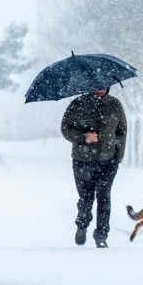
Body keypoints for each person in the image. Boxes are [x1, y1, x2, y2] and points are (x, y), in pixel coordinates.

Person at [60, 87, 127, 248]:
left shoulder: (114, 104)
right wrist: (84, 137)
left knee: (104, 197)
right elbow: (65, 128)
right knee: (86, 198)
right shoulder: (78, 103)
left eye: (104, 85)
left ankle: (101, 235)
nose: (100, 89)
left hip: (108, 160)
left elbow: (122, 131)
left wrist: (118, 157)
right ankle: (82, 224)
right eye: (97, 86)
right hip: (82, 159)